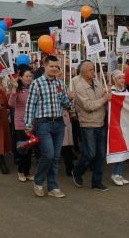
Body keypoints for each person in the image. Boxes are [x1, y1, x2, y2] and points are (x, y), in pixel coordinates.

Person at [24, 55, 72, 198]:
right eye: (51, 66)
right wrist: (28, 124)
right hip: (43, 123)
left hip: (58, 122)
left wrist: (69, 98)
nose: (54, 69)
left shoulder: (60, 84)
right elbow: (30, 105)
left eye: (56, 67)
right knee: (49, 154)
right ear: (45, 66)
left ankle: (52, 186)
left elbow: (66, 105)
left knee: (56, 157)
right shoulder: (36, 84)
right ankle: (38, 182)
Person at [71, 61, 112, 192]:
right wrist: (105, 98)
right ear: (83, 72)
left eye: (93, 69)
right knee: (90, 154)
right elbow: (88, 106)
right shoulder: (79, 87)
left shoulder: (97, 82)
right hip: (88, 124)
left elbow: (101, 97)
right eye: (90, 70)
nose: (93, 72)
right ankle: (77, 171)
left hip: (100, 123)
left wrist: (108, 93)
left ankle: (97, 182)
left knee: (100, 155)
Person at [9, 67, 35, 182]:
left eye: (30, 76)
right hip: (20, 123)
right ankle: (20, 171)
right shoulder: (17, 89)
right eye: (27, 76)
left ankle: (27, 171)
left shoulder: (34, 88)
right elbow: (11, 104)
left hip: (32, 122)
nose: (29, 78)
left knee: (29, 149)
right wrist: (14, 90)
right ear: (20, 77)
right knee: (23, 148)